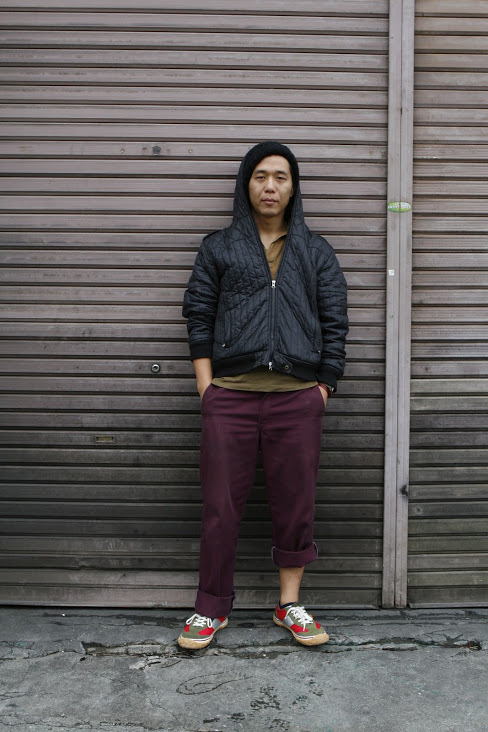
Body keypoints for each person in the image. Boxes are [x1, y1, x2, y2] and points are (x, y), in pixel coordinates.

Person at [179, 141, 348, 649]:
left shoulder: (315, 251)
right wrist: (207, 389)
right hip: (229, 397)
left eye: (280, 177)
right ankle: (211, 607)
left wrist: (323, 388)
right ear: (245, 184)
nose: (269, 186)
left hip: (297, 399)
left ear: (293, 188)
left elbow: (336, 323)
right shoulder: (219, 247)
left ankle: (289, 604)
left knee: (295, 505)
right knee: (220, 506)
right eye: (260, 176)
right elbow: (198, 314)